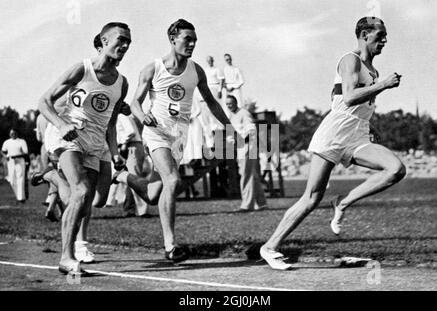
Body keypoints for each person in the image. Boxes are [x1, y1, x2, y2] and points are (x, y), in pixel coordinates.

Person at [259, 17, 405, 270]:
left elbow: (360, 104)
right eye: (380, 35)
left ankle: (343, 201)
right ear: (364, 35)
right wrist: (383, 86)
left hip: (357, 135)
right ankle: (270, 247)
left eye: (385, 35)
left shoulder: (373, 70)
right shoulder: (350, 60)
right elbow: (348, 98)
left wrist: (372, 125)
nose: (385, 40)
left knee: (395, 169)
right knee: (312, 197)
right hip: (334, 134)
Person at [121, 19, 233, 263]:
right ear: (173, 39)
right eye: (187, 39)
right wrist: (143, 116)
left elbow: (212, 102)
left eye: (194, 40)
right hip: (156, 132)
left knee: (153, 195)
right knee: (173, 179)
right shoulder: (153, 69)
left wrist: (229, 126)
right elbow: (134, 103)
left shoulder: (196, 71)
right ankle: (170, 245)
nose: (192, 44)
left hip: (179, 137)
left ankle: (122, 176)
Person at [37, 22, 130, 275]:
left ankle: (53, 177)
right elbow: (44, 101)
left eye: (128, 42)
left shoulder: (122, 83)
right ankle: (66, 258)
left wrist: (114, 151)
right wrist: (60, 122)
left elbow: (111, 122)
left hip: (95, 142)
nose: (124, 45)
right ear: (104, 40)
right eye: (120, 39)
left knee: (90, 202)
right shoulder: (83, 69)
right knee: (80, 190)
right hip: (69, 137)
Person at [226, 95, 268, 211]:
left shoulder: (244, 113)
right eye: (227, 104)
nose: (229, 106)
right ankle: (261, 203)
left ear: (235, 103)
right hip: (240, 147)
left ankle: (246, 205)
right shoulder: (232, 116)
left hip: (248, 146)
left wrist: (240, 140)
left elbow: (251, 130)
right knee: (252, 175)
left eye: (230, 103)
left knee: (245, 174)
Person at [1, 129, 28, 203]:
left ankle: (21, 198)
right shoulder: (7, 142)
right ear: (9, 134)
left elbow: (25, 152)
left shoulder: (21, 141)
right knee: (12, 180)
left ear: (17, 133)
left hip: (20, 161)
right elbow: (3, 151)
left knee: (20, 179)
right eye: (11, 133)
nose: (13, 134)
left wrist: (16, 156)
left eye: (14, 133)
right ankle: (17, 195)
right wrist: (6, 156)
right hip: (11, 162)